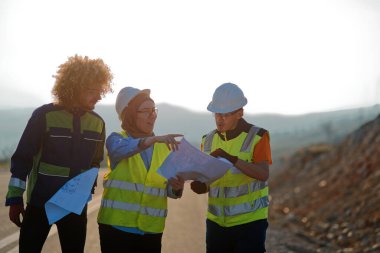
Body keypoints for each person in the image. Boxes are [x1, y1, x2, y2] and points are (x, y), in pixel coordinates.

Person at [5, 55, 113, 253]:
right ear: (74, 87)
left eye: (100, 91)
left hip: (74, 207)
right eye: (92, 91)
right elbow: (22, 159)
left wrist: (86, 189)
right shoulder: (43, 116)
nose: (98, 96)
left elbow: (95, 162)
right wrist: (15, 199)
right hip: (40, 203)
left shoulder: (98, 123)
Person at [97, 86, 185, 253]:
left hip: (151, 230)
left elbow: (166, 189)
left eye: (154, 110)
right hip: (117, 228)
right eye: (146, 111)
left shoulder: (164, 148)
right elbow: (120, 150)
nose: (152, 115)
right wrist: (152, 139)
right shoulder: (117, 140)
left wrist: (176, 188)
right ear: (129, 115)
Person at [190, 83, 272, 253]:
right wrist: (200, 185)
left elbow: (263, 174)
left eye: (225, 114)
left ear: (240, 113)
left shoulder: (258, 136)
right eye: (217, 114)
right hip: (216, 224)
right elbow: (207, 180)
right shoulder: (207, 140)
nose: (220, 119)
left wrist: (232, 159)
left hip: (250, 223)